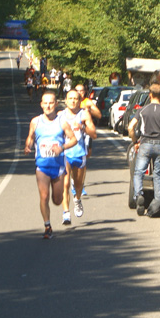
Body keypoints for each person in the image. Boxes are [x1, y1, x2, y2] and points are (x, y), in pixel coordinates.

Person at [25, 90, 77, 239]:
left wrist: (62, 148)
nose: (48, 106)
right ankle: (47, 226)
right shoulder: (35, 121)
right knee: (44, 196)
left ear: (55, 104)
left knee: (57, 200)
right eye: (45, 103)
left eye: (51, 103)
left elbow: (73, 139)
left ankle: (61, 204)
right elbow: (30, 138)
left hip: (58, 166)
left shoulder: (62, 122)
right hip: (42, 166)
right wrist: (28, 146)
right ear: (41, 104)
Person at [128, 82, 160, 216]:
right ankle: (157, 202)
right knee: (158, 174)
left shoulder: (142, 110)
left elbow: (130, 127)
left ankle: (139, 195)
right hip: (159, 145)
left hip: (145, 144)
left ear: (150, 95)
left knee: (138, 172)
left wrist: (135, 140)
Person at [59, 89, 97, 225]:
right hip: (65, 154)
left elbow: (94, 134)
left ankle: (77, 199)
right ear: (65, 100)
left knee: (78, 184)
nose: (73, 101)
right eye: (70, 98)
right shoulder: (60, 115)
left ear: (80, 101)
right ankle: (66, 213)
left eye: (76, 98)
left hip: (79, 153)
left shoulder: (84, 114)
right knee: (65, 183)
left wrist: (82, 127)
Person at [75, 83, 101, 195]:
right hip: (74, 134)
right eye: (77, 90)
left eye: (81, 91)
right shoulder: (72, 102)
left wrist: (89, 109)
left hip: (86, 133)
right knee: (75, 158)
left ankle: (80, 183)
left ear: (85, 92)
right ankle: (75, 183)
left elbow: (99, 115)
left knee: (86, 156)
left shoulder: (87, 102)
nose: (79, 93)